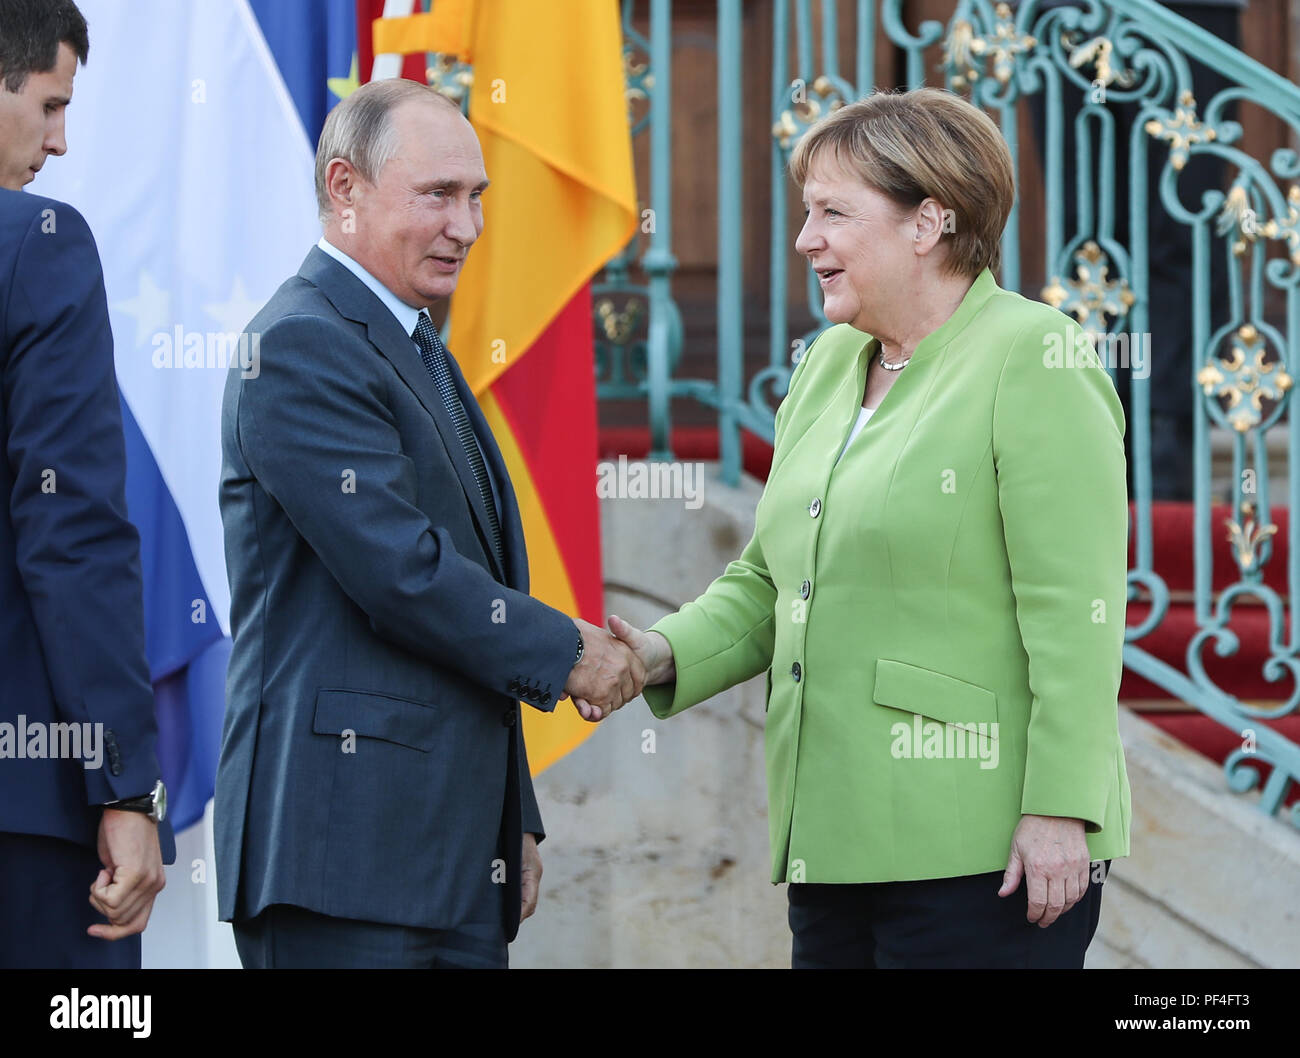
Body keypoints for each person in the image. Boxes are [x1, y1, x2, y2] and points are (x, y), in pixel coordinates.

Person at [605, 87, 1131, 968]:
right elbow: (772, 580)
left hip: (983, 852)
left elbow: (1075, 613)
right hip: (834, 840)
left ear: (929, 222)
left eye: (832, 213)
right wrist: (651, 655)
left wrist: (1061, 808)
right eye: (806, 212)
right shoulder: (825, 365)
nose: (806, 239)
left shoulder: (1034, 358)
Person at [216, 78, 644, 969]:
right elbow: (402, 574)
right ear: (345, 189)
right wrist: (573, 650)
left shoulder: (414, 346)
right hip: (343, 857)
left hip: (450, 864)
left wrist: (509, 817)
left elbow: (474, 591)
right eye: (438, 195)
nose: (468, 225)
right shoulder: (302, 343)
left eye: (476, 195)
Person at [0, 0, 172, 969]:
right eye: (50, 105)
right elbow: (71, 534)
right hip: (24, 821)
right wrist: (126, 787)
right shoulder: (39, 242)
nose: (61, 143)